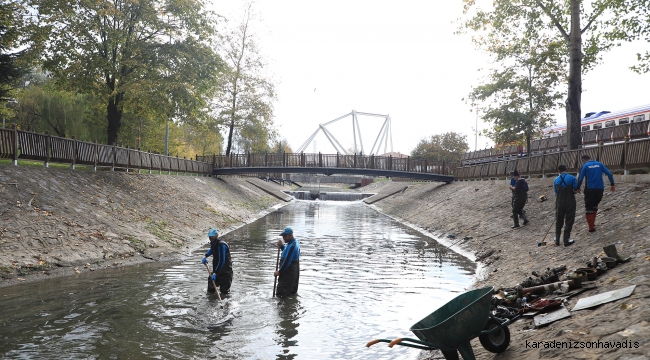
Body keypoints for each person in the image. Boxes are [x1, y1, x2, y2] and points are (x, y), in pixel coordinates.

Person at [576, 154, 615, 232]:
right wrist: (612, 184)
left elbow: (580, 178)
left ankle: (591, 227)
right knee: (595, 205)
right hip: (600, 189)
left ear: (583, 160)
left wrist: (578, 187)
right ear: (590, 158)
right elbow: (609, 174)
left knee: (589, 207)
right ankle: (593, 223)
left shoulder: (585, 166)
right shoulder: (599, 164)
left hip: (590, 189)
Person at [201, 228, 233, 294]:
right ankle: (211, 301)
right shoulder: (214, 243)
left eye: (212, 237)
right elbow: (212, 249)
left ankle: (225, 302)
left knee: (224, 292)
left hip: (225, 272)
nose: (211, 239)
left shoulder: (222, 245)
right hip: (217, 271)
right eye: (210, 237)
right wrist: (205, 256)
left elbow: (222, 261)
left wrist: (215, 273)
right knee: (210, 287)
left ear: (217, 235)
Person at [553, 165, 578, 246]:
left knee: (559, 221)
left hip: (559, 202)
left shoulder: (556, 179)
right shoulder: (572, 178)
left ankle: (557, 240)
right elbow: (575, 189)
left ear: (558, 170)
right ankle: (566, 240)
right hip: (570, 202)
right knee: (569, 220)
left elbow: (556, 193)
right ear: (566, 169)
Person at [274, 227, 300, 297]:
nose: (283, 238)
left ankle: (282, 306)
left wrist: (279, 272)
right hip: (290, 271)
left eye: (285, 236)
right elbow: (286, 253)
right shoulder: (290, 243)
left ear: (290, 236)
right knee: (290, 292)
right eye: (283, 236)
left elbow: (287, 261)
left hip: (288, 272)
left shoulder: (293, 246)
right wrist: (282, 246)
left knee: (281, 293)